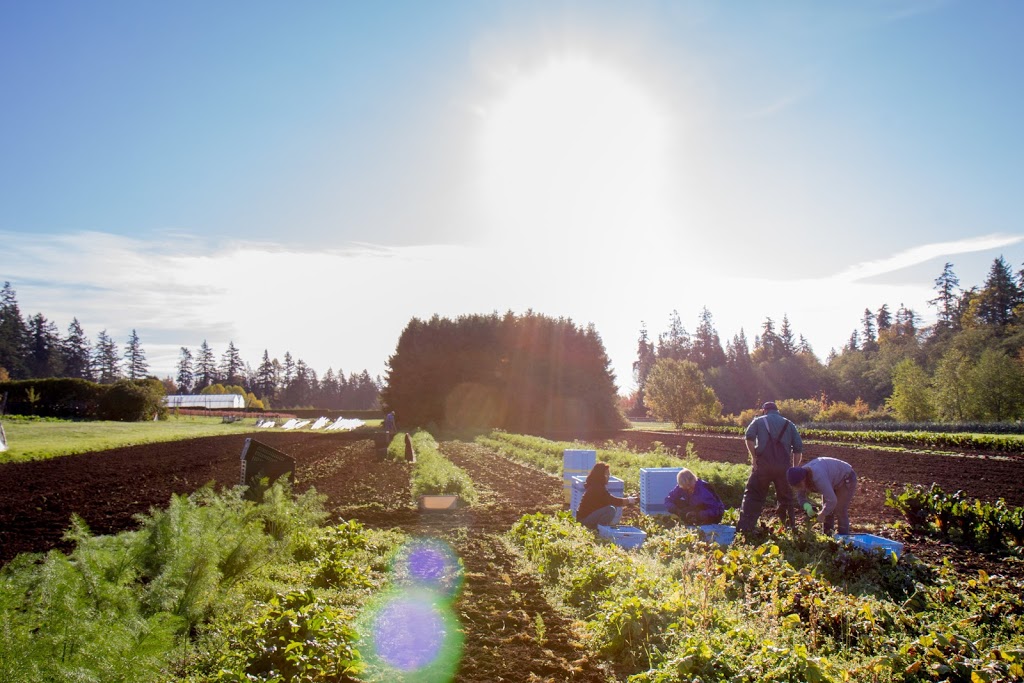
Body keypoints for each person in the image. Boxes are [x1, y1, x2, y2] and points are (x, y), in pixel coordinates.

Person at [737, 401, 803, 533]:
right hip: (783, 468)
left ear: (764, 410)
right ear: (777, 411)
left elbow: (749, 438)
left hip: (763, 466)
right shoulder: (789, 424)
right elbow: (798, 449)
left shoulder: (758, 421)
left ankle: (745, 528)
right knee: (786, 499)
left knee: (753, 495)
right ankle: (790, 528)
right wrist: (794, 469)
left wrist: (754, 458)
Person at [787, 457, 857, 535]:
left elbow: (832, 500)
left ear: (804, 479)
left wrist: (822, 514)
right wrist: (807, 506)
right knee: (828, 510)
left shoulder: (818, 477)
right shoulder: (799, 476)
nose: (798, 488)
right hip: (831, 480)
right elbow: (801, 497)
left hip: (846, 477)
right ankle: (828, 537)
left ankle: (844, 539)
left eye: (799, 485)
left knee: (839, 510)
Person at [576, 462, 638, 530]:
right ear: (602, 475)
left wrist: (629, 499)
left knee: (613, 507)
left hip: (586, 518)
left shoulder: (596, 485)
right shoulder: (597, 488)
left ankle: (598, 527)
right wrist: (630, 500)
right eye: (607, 474)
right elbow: (614, 501)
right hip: (584, 521)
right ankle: (599, 529)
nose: (609, 476)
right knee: (611, 509)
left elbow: (611, 501)